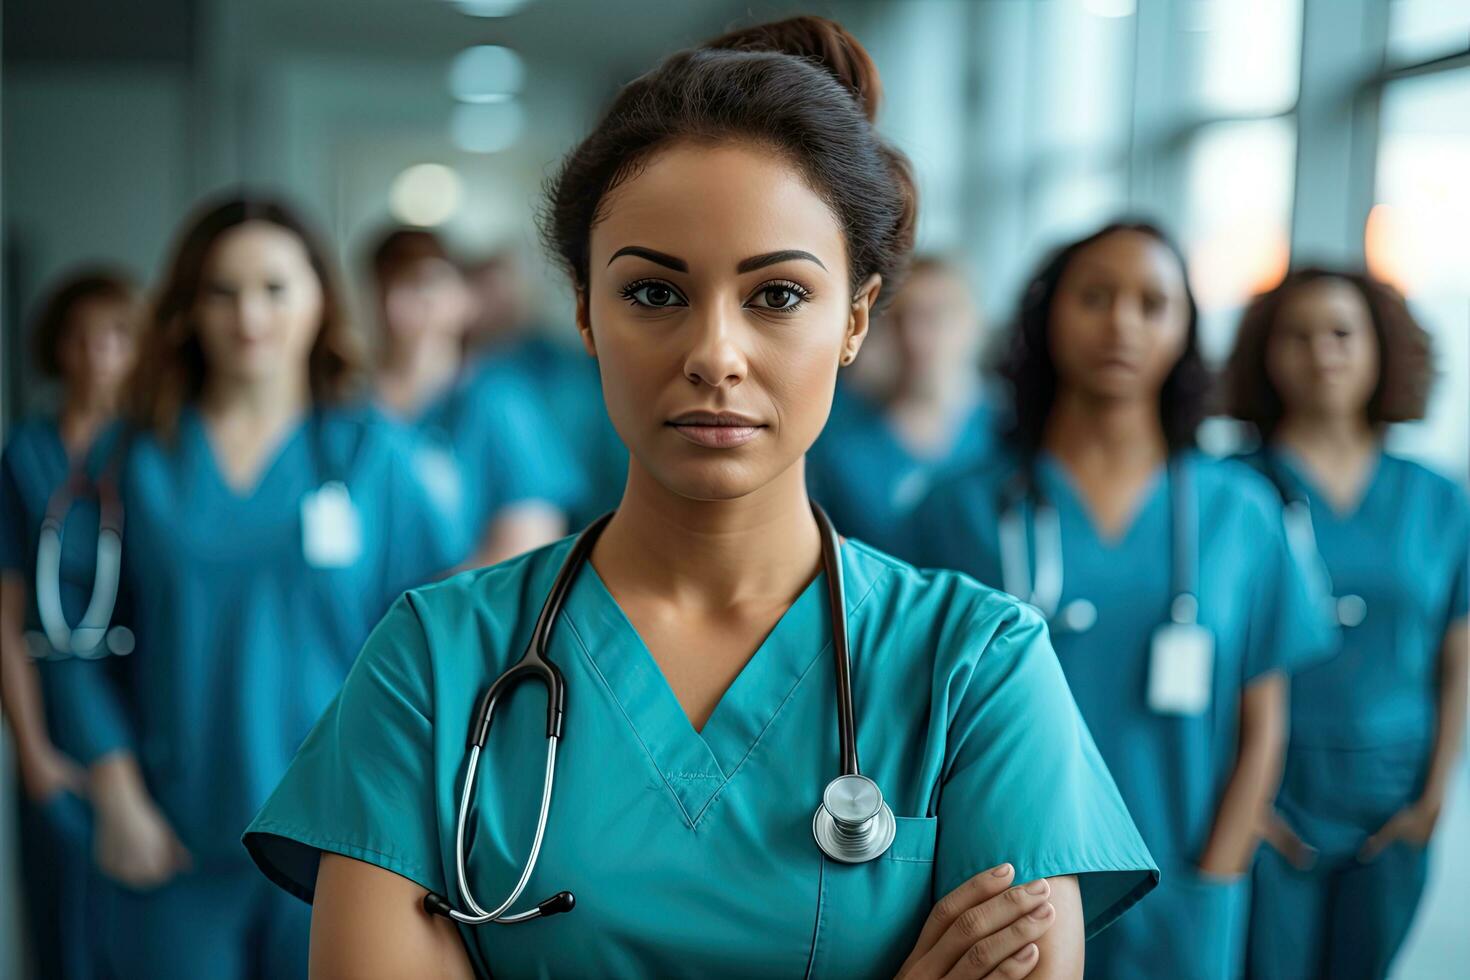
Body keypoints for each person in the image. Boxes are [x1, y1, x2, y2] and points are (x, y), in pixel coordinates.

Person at [243, 18, 1158, 979]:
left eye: (776, 297)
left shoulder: (980, 671)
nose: (714, 354)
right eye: (652, 294)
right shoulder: (432, 663)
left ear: (854, 318)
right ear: (586, 311)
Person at [39, 196, 456, 979]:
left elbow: (437, 645)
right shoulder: (130, 460)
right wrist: (116, 793)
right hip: (169, 833)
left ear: (319, 299)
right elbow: (74, 638)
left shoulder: (376, 459)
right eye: (221, 292)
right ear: (188, 309)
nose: (249, 316)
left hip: (343, 840)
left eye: (274, 288)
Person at [913, 221, 1334, 980]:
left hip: (1186, 884)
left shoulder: (1241, 512)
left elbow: (1263, 723)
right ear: (1047, 318)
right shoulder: (961, 511)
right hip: (1008, 888)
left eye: (1152, 303)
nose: (1122, 325)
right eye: (1096, 298)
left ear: (1186, 330)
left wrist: (1218, 873)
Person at [1223, 268, 1468, 980]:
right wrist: (1246, 805)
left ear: (1381, 349)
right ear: (1265, 356)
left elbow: (1458, 660)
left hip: (1393, 804)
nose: (1320, 352)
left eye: (1341, 333)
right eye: (1296, 336)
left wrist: (1433, 798)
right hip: (1271, 797)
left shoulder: (1438, 500)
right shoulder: (1233, 490)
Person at [1, 269, 138, 979]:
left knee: (137, 929)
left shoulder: (150, 451)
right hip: (50, 711)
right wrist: (31, 752)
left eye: (116, 337)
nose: (97, 355)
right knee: (60, 929)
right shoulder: (24, 453)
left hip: (132, 710)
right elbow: (5, 615)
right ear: (55, 349)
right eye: (80, 339)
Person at [369, 228, 584, 566]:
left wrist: (418, 614)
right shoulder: (350, 411)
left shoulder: (499, 403)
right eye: (388, 286)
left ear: (465, 300)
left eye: (425, 285)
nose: (403, 305)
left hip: (449, 615)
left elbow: (526, 547)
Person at [806, 255, 998, 559]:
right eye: (901, 319)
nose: (916, 337)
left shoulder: (1007, 431)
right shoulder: (836, 433)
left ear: (973, 324)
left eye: (936, 317)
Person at [466, 249, 627, 525]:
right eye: (486, 287)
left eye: (507, 284)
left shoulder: (569, 365)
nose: (500, 298)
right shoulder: (474, 379)